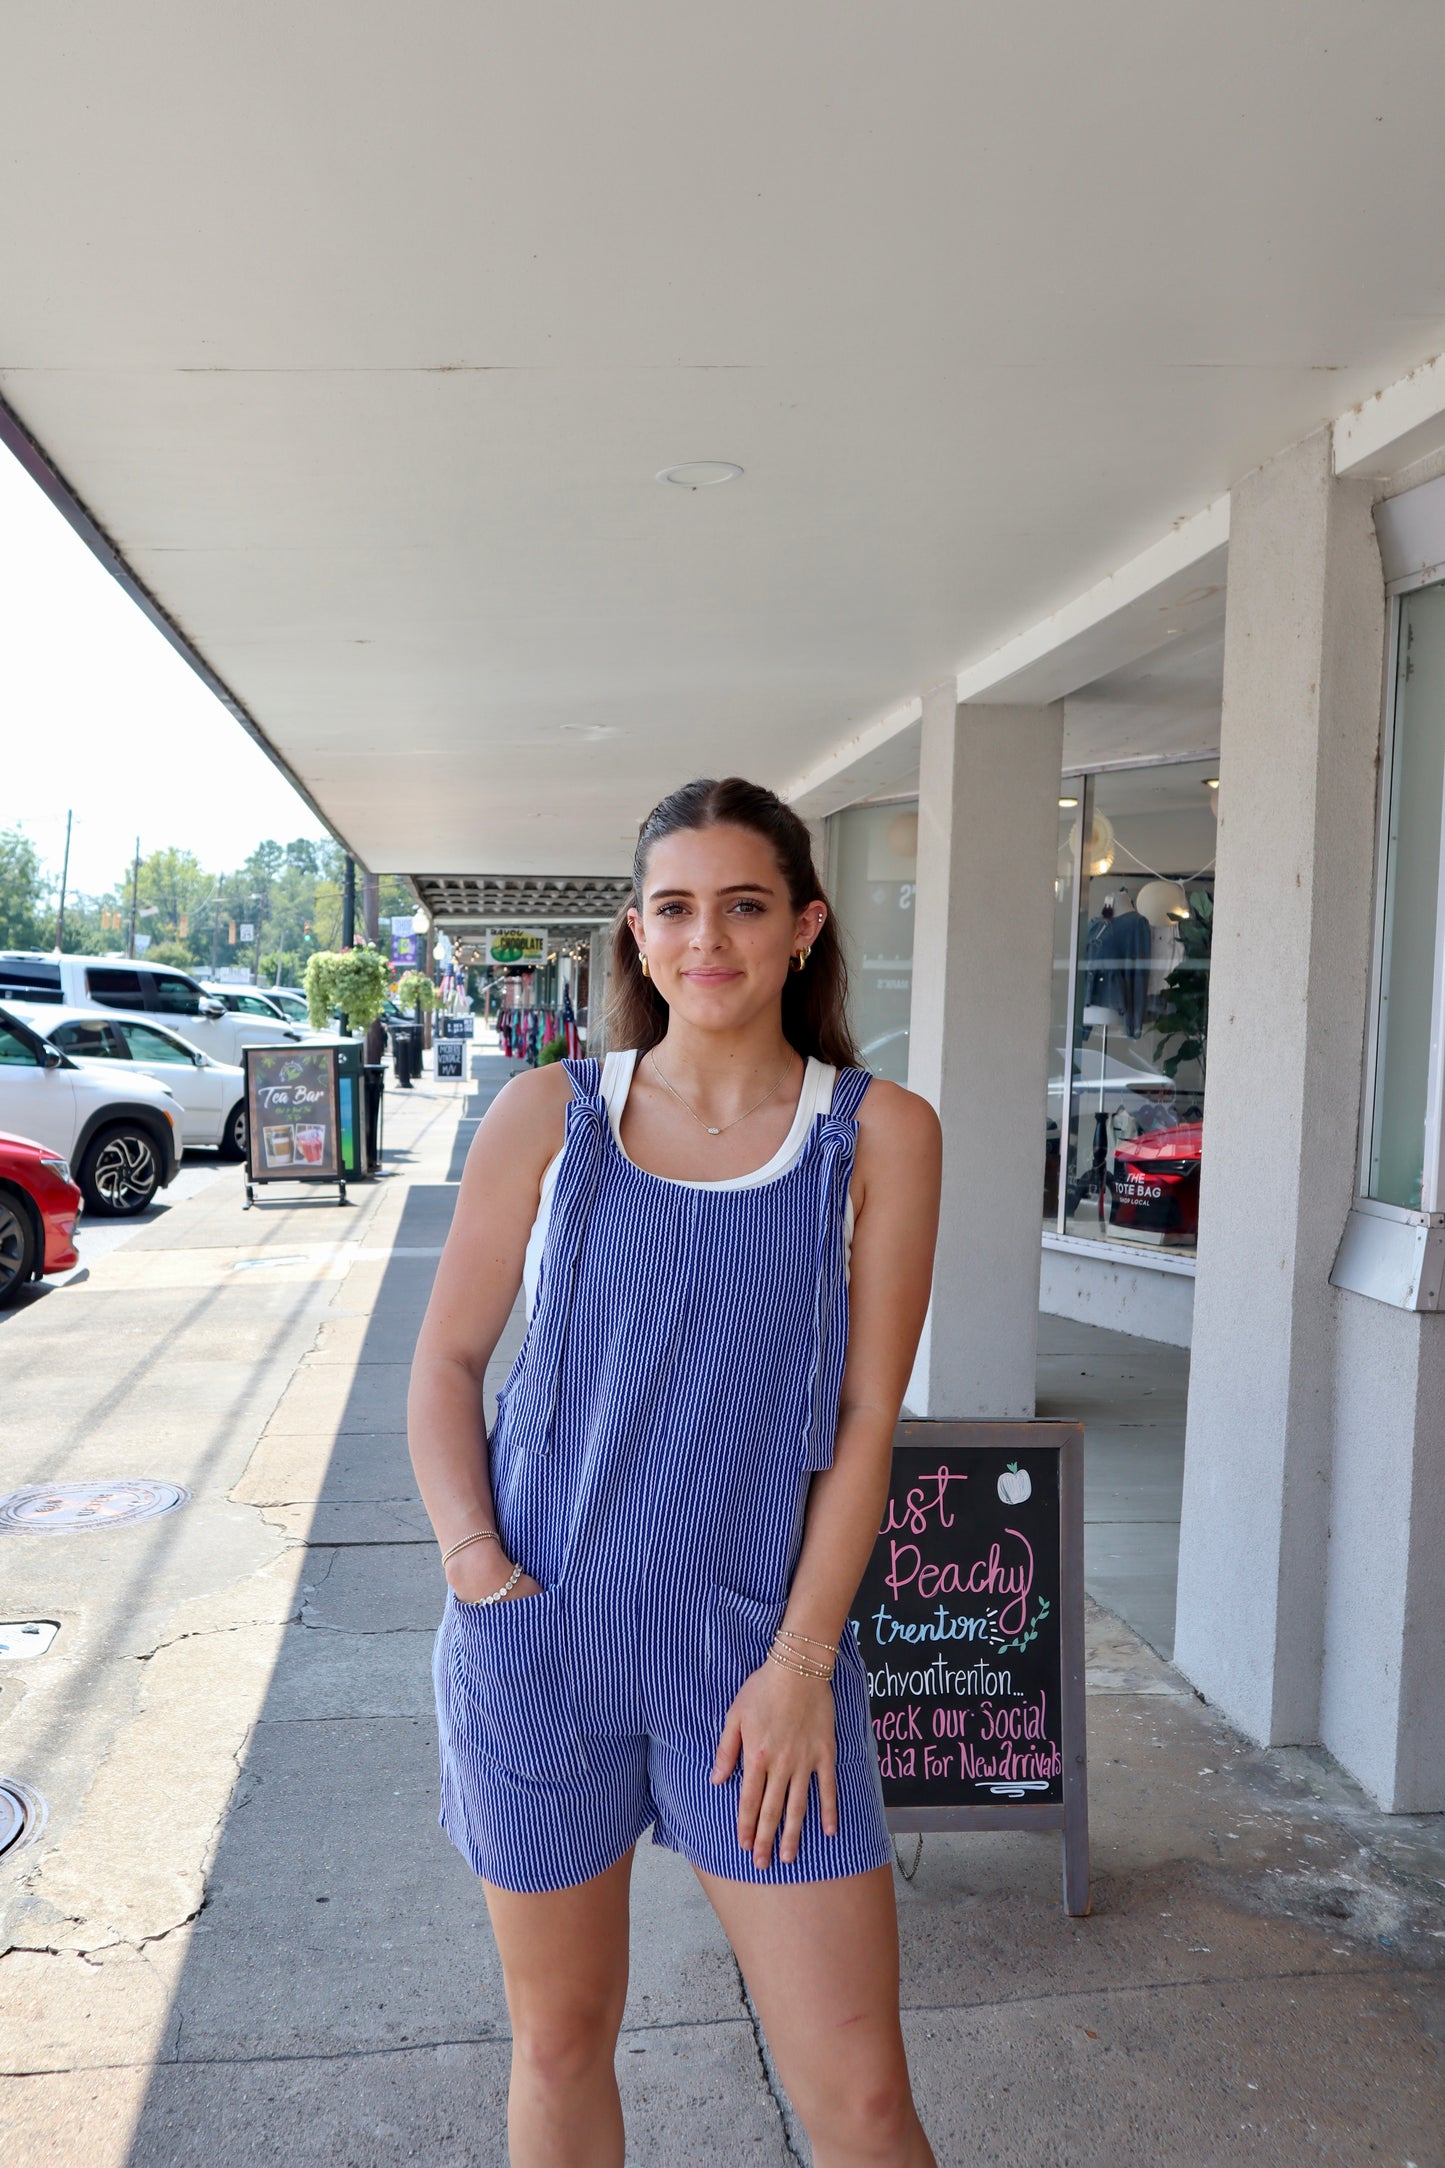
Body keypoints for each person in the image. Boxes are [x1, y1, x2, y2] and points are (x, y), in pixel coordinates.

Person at [409, 776, 943, 2166]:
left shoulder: (878, 1135)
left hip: (756, 1661)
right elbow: (446, 1365)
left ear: (804, 927)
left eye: (745, 906)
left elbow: (866, 1422)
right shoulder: (549, 1116)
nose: (709, 939)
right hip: (543, 1642)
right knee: (559, 2044)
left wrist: (802, 1665)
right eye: (677, 908)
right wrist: (480, 1574)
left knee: (861, 2098)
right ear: (638, 935)